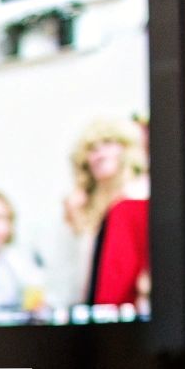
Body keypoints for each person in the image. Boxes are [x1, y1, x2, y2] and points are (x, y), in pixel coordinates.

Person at [64, 118, 150, 309]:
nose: (100, 154)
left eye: (108, 143)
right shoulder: (81, 207)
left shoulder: (138, 199)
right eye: (92, 149)